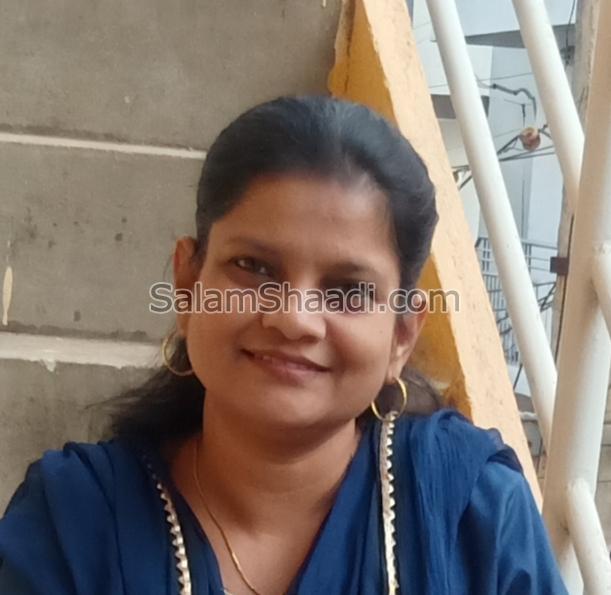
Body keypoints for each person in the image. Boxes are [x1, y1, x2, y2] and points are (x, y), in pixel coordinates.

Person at [0, 96, 567, 594]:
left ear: (401, 334)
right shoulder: (73, 520)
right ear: (188, 285)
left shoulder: (471, 516)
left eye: (348, 290)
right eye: (254, 267)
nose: (293, 318)